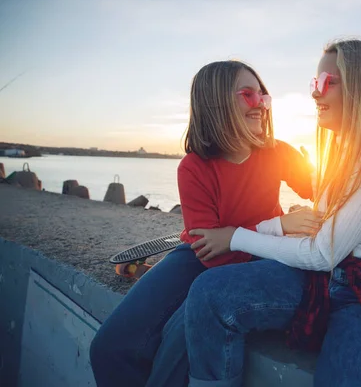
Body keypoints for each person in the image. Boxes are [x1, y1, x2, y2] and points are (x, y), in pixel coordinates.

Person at [184, 39, 361, 387]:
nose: (315, 94)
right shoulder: (343, 153)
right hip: (323, 278)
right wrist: (283, 226)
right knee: (208, 293)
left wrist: (236, 236)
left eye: (325, 82)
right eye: (313, 83)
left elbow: (322, 252)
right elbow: (322, 239)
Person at [89, 60, 319, 387]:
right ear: (216, 103)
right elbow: (213, 255)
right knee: (109, 348)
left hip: (260, 257)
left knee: (174, 350)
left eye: (263, 97)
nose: (260, 105)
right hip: (200, 256)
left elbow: (321, 190)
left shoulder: (278, 152)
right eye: (248, 95)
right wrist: (280, 226)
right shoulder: (193, 168)